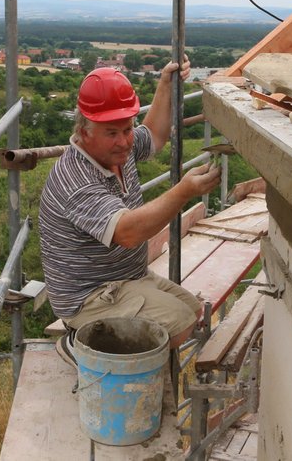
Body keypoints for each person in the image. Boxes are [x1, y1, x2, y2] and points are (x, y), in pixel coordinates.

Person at [38, 59, 221, 366]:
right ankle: (81, 344)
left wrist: (165, 84)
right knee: (178, 327)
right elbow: (128, 233)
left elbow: (155, 136)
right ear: (84, 131)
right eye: (112, 133)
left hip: (125, 278)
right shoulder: (76, 178)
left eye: (127, 128)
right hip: (90, 297)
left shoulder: (116, 149)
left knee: (194, 311)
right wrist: (183, 191)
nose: (124, 141)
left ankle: (106, 338)